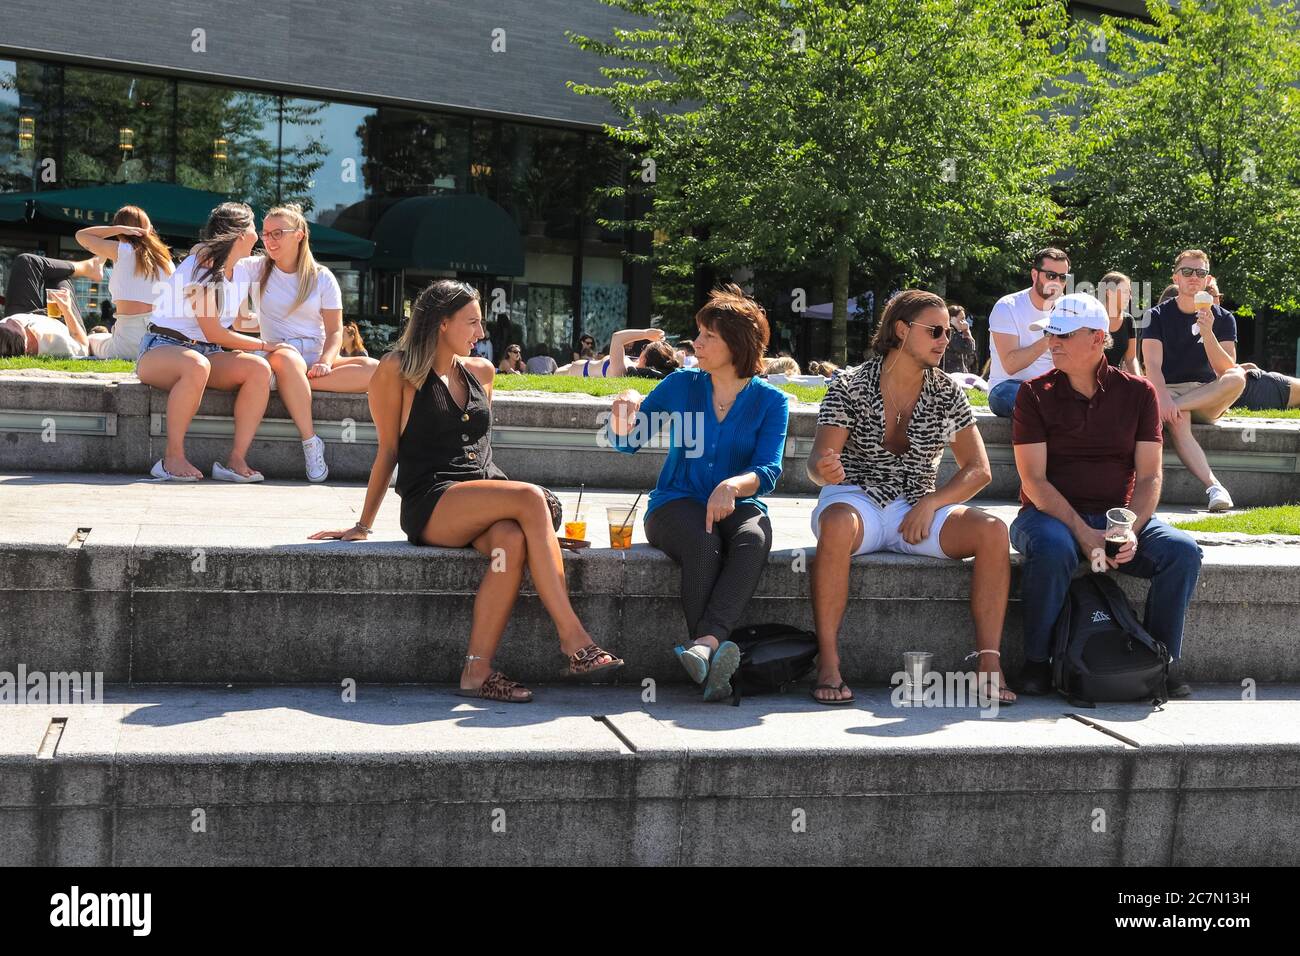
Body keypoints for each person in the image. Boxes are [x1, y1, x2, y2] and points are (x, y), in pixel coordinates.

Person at [310, 280, 623, 702]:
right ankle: (574, 640)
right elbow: (387, 451)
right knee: (530, 497)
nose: (481, 333)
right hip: (432, 499)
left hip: (480, 493)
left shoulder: (481, 372)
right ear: (442, 323)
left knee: (511, 540)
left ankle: (476, 672)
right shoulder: (398, 370)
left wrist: (532, 529)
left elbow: (480, 452)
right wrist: (362, 524)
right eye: (472, 322)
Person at [807, 290, 1013, 706]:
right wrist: (823, 469)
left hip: (916, 506)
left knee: (993, 531)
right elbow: (816, 462)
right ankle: (827, 660)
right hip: (856, 499)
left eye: (948, 332)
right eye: (935, 331)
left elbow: (979, 470)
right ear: (901, 331)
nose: (945, 340)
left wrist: (931, 503)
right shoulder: (849, 386)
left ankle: (989, 663)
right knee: (835, 523)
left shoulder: (948, 393)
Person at [1010, 292, 1201, 699]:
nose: (1052, 342)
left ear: (1098, 338)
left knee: (1182, 551)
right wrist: (1083, 533)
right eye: (1049, 333)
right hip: (1048, 517)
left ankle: (1161, 661)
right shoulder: (1033, 392)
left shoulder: (1138, 392)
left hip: (1117, 517)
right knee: (1054, 546)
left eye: (1062, 334)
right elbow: (1034, 482)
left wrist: (1128, 529)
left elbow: (1150, 477)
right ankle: (1037, 663)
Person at [608, 284, 789, 703]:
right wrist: (624, 407)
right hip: (676, 502)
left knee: (753, 538)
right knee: (704, 540)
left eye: (709, 335)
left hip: (740, 500)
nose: (697, 343)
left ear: (737, 345)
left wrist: (731, 486)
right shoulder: (681, 384)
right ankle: (711, 652)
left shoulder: (771, 402)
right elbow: (628, 442)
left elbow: (769, 469)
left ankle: (703, 648)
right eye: (699, 333)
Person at [134, 202, 291, 483]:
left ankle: (235, 460)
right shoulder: (199, 268)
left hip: (207, 352)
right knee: (196, 365)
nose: (259, 236)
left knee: (258, 369)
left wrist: (289, 336)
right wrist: (269, 346)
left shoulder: (241, 271)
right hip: (161, 347)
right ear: (241, 235)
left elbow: (241, 323)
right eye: (255, 229)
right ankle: (171, 459)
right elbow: (216, 331)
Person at [234, 204, 380, 482]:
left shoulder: (321, 277)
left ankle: (293, 384)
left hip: (315, 359)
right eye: (266, 234)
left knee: (374, 368)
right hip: (281, 355)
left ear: (299, 235)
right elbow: (226, 263)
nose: (270, 240)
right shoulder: (256, 268)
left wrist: (326, 361)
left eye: (278, 233)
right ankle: (311, 442)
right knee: (286, 359)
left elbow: (336, 331)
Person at [1140, 249, 1245, 512]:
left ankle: (1178, 407)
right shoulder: (1156, 315)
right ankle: (1214, 487)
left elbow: (1225, 370)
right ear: (1176, 278)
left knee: (1238, 376)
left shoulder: (1223, 318)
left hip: (1205, 394)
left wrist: (1208, 332)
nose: (1193, 277)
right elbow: (1151, 364)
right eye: (1187, 271)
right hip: (1169, 389)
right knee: (1179, 419)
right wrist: (1163, 398)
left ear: (1208, 279)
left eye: (1200, 272)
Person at [74, 206, 175, 360]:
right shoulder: (166, 260)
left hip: (128, 345)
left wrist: (117, 229)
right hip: (161, 344)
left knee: (93, 338)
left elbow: (81, 235)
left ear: (125, 231)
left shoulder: (123, 251)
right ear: (149, 228)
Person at [987, 247, 1069, 417]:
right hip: (1007, 386)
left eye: (1063, 278)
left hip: (1050, 386)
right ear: (1034, 275)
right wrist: (1051, 336)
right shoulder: (1008, 307)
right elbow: (1011, 365)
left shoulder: (1066, 308)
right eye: (1051, 276)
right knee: (1032, 400)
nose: (1057, 282)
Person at [2, 252, 104, 318]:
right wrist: (67, 311)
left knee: (27, 262)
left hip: (15, 329)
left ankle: (89, 267)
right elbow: (81, 344)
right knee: (58, 278)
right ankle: (88, 267)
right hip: (53, 335)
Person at [0, 286, 90, 357]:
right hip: (68, 323)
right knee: (59, 281)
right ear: (25, 344)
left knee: (26, 263)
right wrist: (67, 309)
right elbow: (84, 347)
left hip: (36, 315)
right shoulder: (57, 344)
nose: (9, 320)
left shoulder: (8, 326)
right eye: (15, 325)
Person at [557, 328, 680, 378]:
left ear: (645, 358)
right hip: (573, 368)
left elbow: (617, 338)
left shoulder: (622, 369)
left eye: (644, 348)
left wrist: (645, 333)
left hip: (568, 372)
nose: (641, 350)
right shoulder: (630, 367)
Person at [1099, 271, 1139, 375]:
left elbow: (1130, 359)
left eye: (1129, 292)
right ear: (1109, 292)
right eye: (1125, 291)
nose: (1129, 297)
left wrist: (1139, 381)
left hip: (1114, 380)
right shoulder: (1093, 318)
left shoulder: (1129, 321)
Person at [941, 304, 978, 374]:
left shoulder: (959, 333)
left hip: (959, 374)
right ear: (952, 319)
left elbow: (972, 353)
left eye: (964, 319)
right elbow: (968, 349)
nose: (964, 322)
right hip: (950, 375)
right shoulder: (950, 333)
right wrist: (966, 331)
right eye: (962, 319)